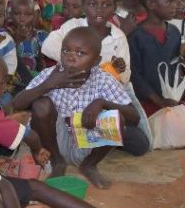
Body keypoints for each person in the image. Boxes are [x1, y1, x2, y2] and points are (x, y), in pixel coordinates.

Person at [0, 51, 139, 208]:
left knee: (20, 187)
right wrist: (37, 150)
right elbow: (29, 136)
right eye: (2, 82)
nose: (5, 88)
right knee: (33, 189)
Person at [13, 26, 147, 189]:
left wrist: (102, 103)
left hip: (88, 142)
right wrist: (49, 84)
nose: (70, 58)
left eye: (80, 53)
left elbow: (134, 117)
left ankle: (89, 165)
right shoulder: (51, 74)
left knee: (118, 118)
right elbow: (17, 104)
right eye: (66, 51)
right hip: (54, 142)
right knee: (41, 105)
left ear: (96, 61)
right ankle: (57, 162)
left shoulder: (103, 79)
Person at [128, 0, 185, 114]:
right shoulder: (136, 36)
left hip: (170, 97)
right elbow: (134, 75)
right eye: (170, 1)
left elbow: (173, 62)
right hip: (146, 101)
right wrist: (158, 100)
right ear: (151, 3)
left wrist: (184, 60)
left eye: (177, 1)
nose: (176, 6)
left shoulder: (173, 32)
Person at [10, 0, 48, 92]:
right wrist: (17, 40)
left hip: (34, 77)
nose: (22, 18)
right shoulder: (6, 34)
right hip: (12, 78)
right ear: (10, 15)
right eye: (17, 14)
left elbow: (42, 62)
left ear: (35, 15)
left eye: (28, 14)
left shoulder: (41, 35)